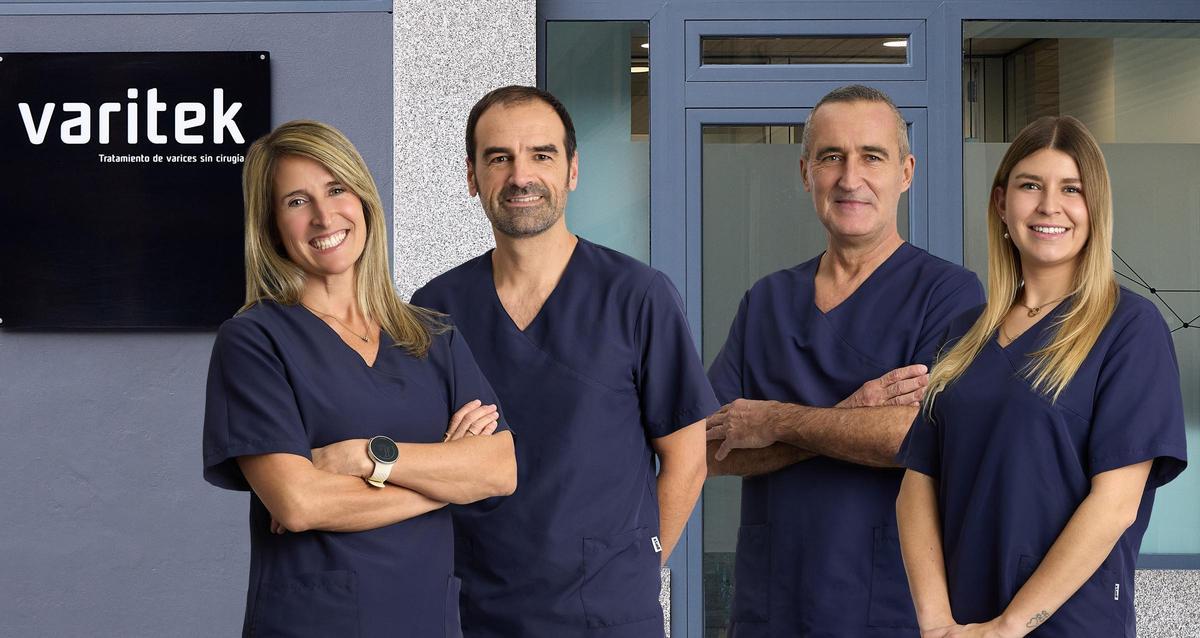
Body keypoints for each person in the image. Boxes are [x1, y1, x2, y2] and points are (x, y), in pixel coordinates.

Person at [410, 85, 715, 637]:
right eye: (498, 157)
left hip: (607, 613)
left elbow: (688, 459)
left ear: (572, 170)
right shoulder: (436, 308)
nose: (521, 176)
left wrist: (632, 570)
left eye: (541, 155)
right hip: (473, 609)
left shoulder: (637, 295)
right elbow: (425, 460)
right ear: (472, 175)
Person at [201, 120, 516, 637]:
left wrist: (366, 456)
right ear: (271, 224)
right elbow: (300, 504)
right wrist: (447, 482)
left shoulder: (431, 336)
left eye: (336, 189)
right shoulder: (254, 341)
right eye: (297, 202)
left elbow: (500, 470)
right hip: (315, 623)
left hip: (424, 619)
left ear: (363, 200)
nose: (325, 216)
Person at [704, 84, 985, 637]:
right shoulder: (768, 301)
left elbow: (911, 437)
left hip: (885, 604)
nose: (849, 177)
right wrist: (849, 414)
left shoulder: (949, 295)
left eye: (871, 157)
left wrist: (775, 421)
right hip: (772, 602)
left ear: (906, 171)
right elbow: (711, 449)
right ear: (805, 171)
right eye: (831, 157)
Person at [896, 116, 1187, 637]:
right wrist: (937, 621)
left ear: (1095, 208)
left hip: (1068, 624)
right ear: (1002, 204)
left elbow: (1116, 504)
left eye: (1071, 189)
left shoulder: (1129, 329)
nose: (1050, 205)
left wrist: (1008, 626)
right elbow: (918, 484)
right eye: (1031, 185)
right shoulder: (964, 334)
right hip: (963, 624)